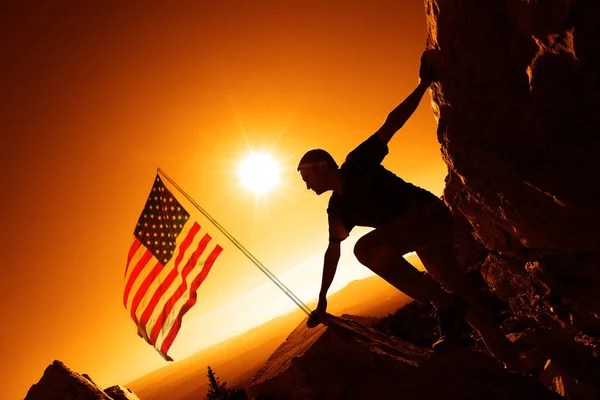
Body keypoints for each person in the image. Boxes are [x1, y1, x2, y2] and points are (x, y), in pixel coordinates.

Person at [298, 52, 522, 371]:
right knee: (464, 303)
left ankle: (441, 302)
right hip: (422, 236)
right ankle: (513, 364)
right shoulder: (337, 208)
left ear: (321, 167)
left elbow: (392, 123)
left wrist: (423, 85)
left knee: (366, 248)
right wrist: (322, 299)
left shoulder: (356, 164)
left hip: (429, 214)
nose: (306, 186)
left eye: (306, 178)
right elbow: (332, 252)